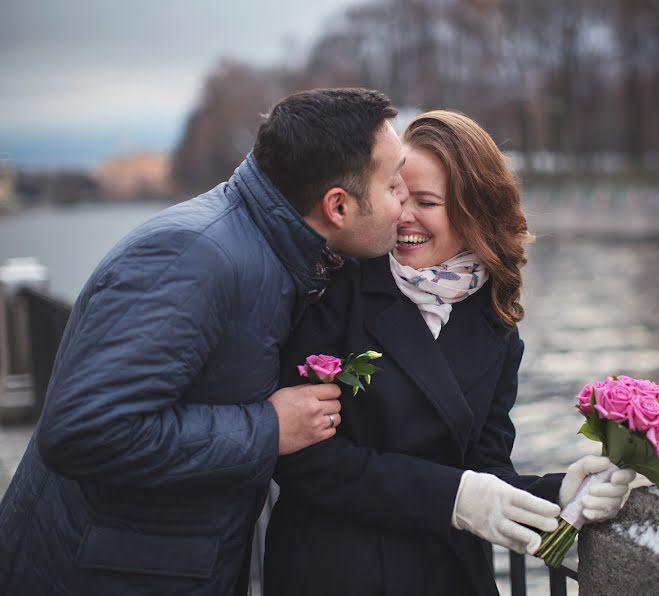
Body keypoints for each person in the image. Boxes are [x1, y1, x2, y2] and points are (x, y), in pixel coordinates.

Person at [0, 88, 409, 595]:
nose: (404, 203)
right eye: (394, 185)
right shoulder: (190, 257)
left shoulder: (272, 249)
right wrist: (268, 428)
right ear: (338, 206)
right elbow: (83, 429)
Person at [264, 110, 636, 596]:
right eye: (398, 193)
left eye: (427, 202)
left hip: (447, 573)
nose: (403, 215)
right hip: (336, 569)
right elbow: (301, 461)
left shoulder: (497, 323)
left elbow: (484, 470)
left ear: (472, 213)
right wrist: (452, 497)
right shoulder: (337, 288)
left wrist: (559, 491)